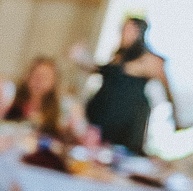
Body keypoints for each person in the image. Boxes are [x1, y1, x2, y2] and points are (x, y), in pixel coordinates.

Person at [77, 17, 181, 155]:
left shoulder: (149, 59)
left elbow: (168, 91)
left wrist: (176, 119)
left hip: (127, 122)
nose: (123, 33)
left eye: (128, 29)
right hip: (102, 116)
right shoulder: (119, 56)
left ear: (139, 32)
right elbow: (101, 70)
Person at [6, 56, 79, 142]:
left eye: (45, 78)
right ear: (27, 76)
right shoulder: (10, 100)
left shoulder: (61, 111)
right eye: (36, 75)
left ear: (54, 83)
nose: (39, 81)